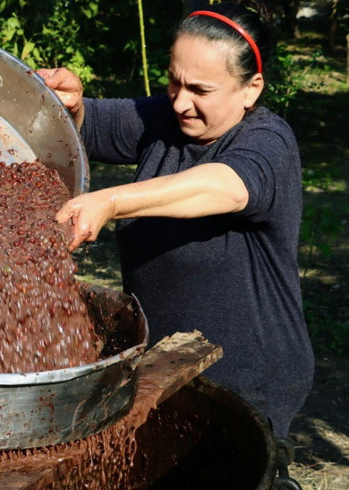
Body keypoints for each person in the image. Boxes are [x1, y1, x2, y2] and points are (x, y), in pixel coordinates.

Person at [38, 0, 314, 444]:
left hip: (244, 385)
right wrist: (72, 108)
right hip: (161, 368)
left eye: (201, 90)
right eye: (173, 80)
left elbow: (224, 186)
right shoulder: (167, 119)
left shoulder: (268, 141)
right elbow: (93, 124)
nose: (181, 101)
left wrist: (111, 202)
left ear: (251, 89)